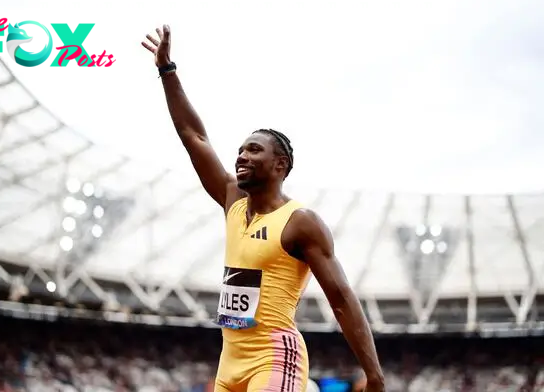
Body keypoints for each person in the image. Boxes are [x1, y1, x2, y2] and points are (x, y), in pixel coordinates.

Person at [141, 25, 385, 392]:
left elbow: (340, 298)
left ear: (280, 165)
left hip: (274, 357)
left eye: (254, 149)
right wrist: (167, 71)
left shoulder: (300, 223)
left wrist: (374, 374)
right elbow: (194, 136)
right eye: (240, 149)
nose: (240, 155)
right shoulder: (233, 201)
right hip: (229, 363)